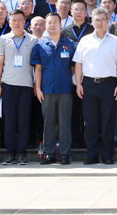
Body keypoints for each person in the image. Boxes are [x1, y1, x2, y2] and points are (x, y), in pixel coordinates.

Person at [74, 7, 117, 165]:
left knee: (108, 121)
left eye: (102, 20)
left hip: (109, 84)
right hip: (88, 84)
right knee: (90, 122)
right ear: (92, 21)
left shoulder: (116, 41)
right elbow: (78, 63)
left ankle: (107, 155)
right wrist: (78, 84)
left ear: (108, 21)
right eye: (96, 20)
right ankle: (92, 154)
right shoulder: (85, 40)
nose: (99, 23)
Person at [32, 12, 78, 165]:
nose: (52, 25)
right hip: (47, 90)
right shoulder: (40, 45)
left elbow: (74, 66)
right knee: (48, 123)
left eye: (55, 22)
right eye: (49, 22)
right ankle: (49, 154)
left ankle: (65, 154)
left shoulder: (70, 44)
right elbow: (38, 69)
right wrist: (38, 88)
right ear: (46, 25)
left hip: (65, 89)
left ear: (60, 25)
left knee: (65, 122)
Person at [0, 10, 38, 165]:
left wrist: (36, 84)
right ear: (9, 23)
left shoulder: (33, 39)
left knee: (24, 121)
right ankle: (10, 154)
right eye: (14, 20)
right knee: (9, 122)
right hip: (8, 84)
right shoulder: (3, 39)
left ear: (25, 22)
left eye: (20, 20)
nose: (17, 23)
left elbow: (37, 65)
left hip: (26, 85)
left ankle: (21, 154)